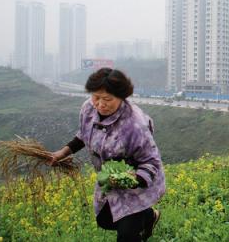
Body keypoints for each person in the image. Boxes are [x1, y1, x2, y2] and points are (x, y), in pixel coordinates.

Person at [50, 68, 165, 241]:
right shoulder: (88, 108)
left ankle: (140, 220)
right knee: (104, 220)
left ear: (121, 97)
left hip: (137, 182)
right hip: (110, 179)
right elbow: (84, 133)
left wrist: (133, 178)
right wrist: (63, 152)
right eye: (96, 97)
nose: (100, 104)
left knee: (126, 234)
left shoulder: (135, 125)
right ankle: (149, 217)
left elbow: (151, 162)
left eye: (107, 99)